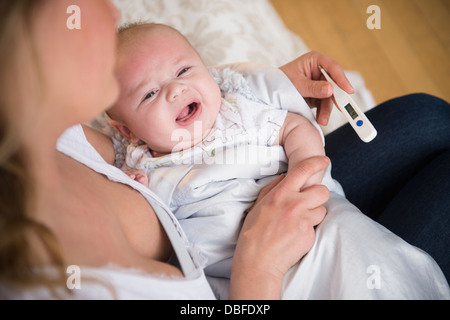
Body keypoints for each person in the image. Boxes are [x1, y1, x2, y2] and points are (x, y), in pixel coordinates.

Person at [0, 0, 448, 300]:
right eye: (149, 95)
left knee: (427, 117)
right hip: (256, 280)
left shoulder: (65, 136)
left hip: (295, 201)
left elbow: (283, 125)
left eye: (183, 72)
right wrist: (259, 271)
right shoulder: (56, 281)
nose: (108, 9)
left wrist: (272, 88)